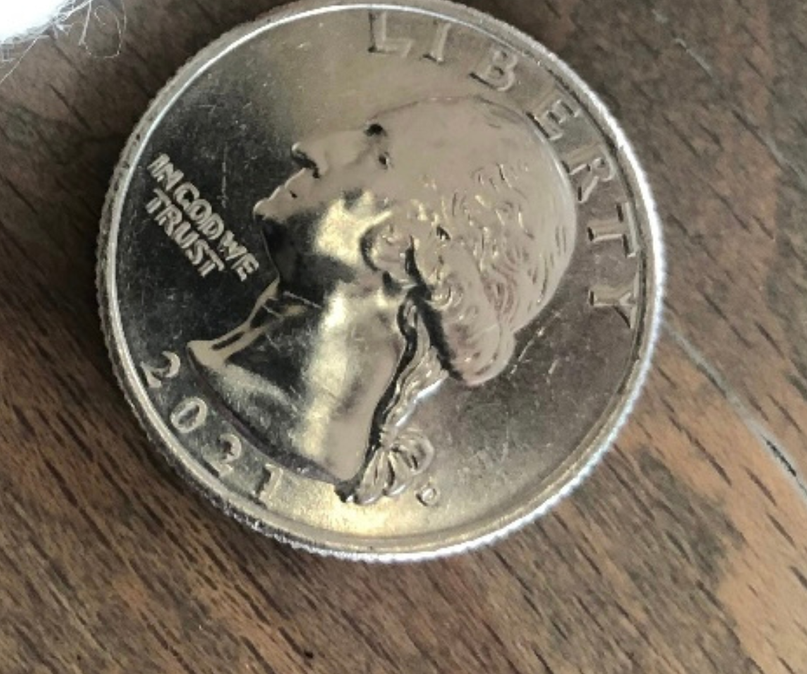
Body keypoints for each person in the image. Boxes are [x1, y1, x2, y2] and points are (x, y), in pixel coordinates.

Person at [188, 96, 578, 504]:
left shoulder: (281, 419)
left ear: (408, 243)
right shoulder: (228, 368)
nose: (310, 148)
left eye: (377, 154)